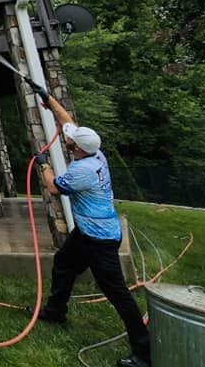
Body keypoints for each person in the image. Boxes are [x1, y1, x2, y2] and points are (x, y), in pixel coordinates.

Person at [24, 77, 150, 367]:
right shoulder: (96, 152)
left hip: (100, 239)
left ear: (76, 149)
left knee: (116, 292)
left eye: (71, 142)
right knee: (63, 264)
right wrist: (47, 96)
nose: (68, 140)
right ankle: (56, 312)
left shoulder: (83, 170)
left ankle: (145, 353)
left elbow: (54, 187)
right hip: (88, 232)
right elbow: (68, 121)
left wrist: (43, 164)